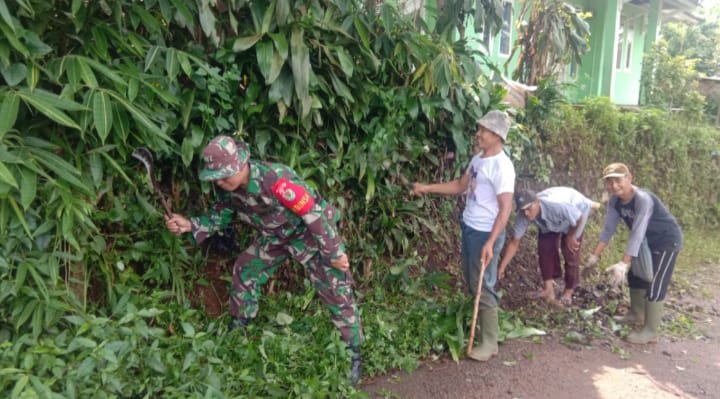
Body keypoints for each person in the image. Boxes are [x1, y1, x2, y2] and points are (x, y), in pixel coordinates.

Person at [164, 135, 364, 384]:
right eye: (217, 177)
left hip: (308, 236)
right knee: (246, 269)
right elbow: (222, 214)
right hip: (276, 237)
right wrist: (190, 224)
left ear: (242, 163)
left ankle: (352, 352)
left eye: (226, 175)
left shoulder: (276, 180)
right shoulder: (230, 189)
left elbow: (314, 215)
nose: (222, 181)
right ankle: (241, 324)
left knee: (336, 290)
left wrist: (334, 253)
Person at [411, 110, 515, 362]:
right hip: (470, 228)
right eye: (479, 128)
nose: (478, 134)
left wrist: (491, 242)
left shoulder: (503, 167)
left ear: (497, 135)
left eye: (484, 130)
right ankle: (481, 328)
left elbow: (505, 210)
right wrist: (427, 188)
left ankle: (489, 342)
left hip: (485, 233)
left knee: (484, 284)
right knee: (472, 281)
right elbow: (460, 186)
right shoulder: (478, 159)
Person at [584, 162, 683, 344]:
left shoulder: (643, 199)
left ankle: (651, 330)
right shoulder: (615, 201)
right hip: (647, 242)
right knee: (635, 276)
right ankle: (637, 314)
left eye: (618, 181)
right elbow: (608, 229)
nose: (614, 186)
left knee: (655, 282)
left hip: (667, 240)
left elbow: (637, 233)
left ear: (629, 179)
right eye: (610, 182)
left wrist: (622, 263)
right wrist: (594, 256)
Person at [498, 187, 597, 306]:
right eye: (523, 210)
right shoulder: (524, 215)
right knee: (545, 249)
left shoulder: (555, 205)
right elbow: (515, 242)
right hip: (551, 221)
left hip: (576, 212)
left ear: (538, 203)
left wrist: (570, 236)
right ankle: (548, 290)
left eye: (529, 208)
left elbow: (578, 218)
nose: (526, 213)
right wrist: (502, 266)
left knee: (570, 251)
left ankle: (569, 290)